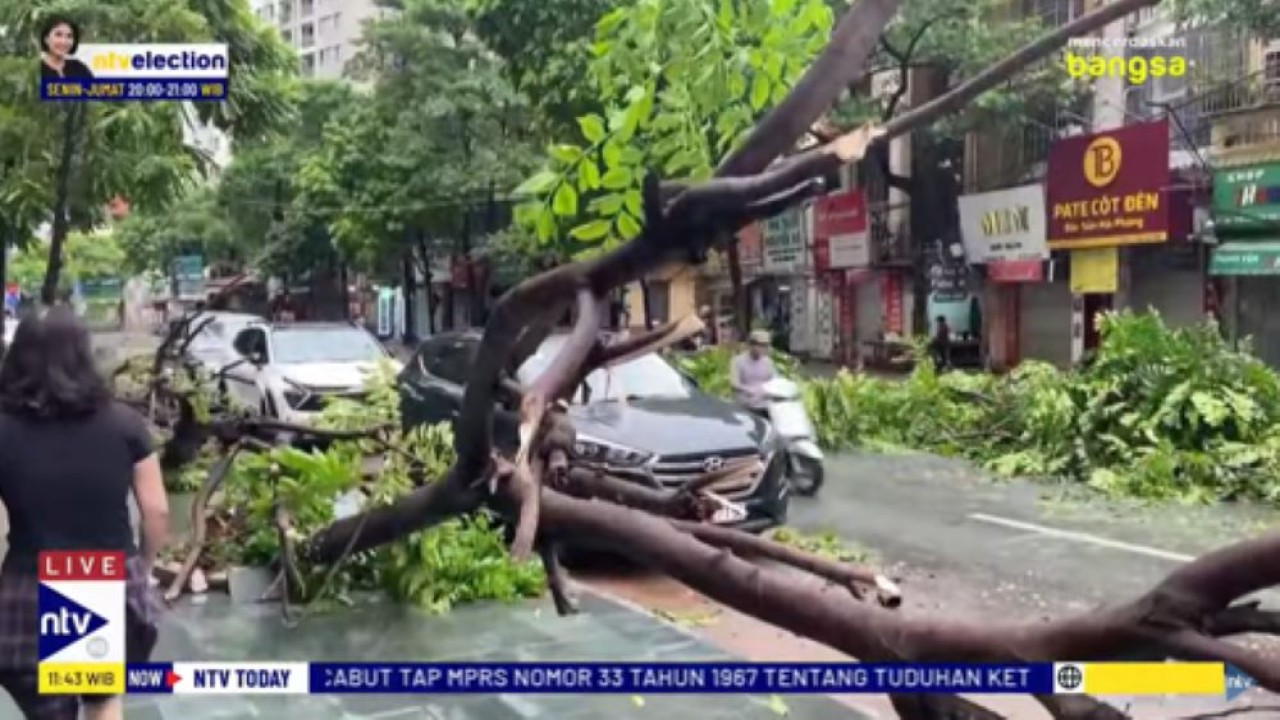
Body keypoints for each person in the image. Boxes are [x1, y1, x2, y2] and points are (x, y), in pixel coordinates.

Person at [0, 307, 168, 720]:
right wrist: (144, 567)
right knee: (102, 700)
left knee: (48, 709)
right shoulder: (124, 424)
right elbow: (156, 510)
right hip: (103, 577)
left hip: (28, 586)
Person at [731, 330, 776, 414]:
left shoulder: (768, 362)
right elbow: (734, 384)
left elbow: (773, 382)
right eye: (760, 345)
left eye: (765, 345)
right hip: (745, 404)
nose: (763, 349)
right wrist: (748, 389)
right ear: (751, 345)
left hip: (764, 404)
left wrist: (764, 391)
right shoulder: (738, 361)